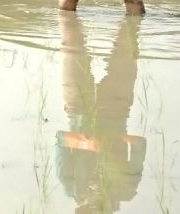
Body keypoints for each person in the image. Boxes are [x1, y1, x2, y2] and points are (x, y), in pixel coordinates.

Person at [56, 13, 146, 213]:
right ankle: (131, 18)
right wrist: (114, 139)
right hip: (117, 108)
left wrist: (87, 144)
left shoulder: (70, 186)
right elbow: (140, 144)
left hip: (78, 107)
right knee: (127, 45)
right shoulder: (127, 189)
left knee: (71, 42)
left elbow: (60, 139)